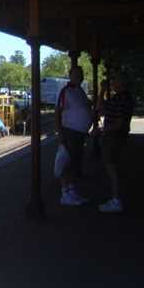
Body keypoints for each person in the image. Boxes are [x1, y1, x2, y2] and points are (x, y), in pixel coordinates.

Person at [55, 65, 92, 206]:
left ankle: (71, 191)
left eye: (81, 74)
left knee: (73, 162)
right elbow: (58, 112)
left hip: (79, 133)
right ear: (70, 75)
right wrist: (60, 134)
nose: (80, 76)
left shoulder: (80, 90)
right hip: (70, 131)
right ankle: (65, 193)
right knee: (66, 162)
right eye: (77, 74)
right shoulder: (66, 91)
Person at [97, 76, 134, 213]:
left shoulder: (121, 99)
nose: (112, 83)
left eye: (114, 81)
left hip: (114, 137)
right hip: (117, 136)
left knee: (112, 167)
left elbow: (118, 122)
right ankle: (116, 197)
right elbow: (101, 109)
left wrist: (102, 130)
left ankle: (116, 199)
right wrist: (103, 91)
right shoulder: (121, 97)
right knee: (114, 166)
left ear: (121, 83)